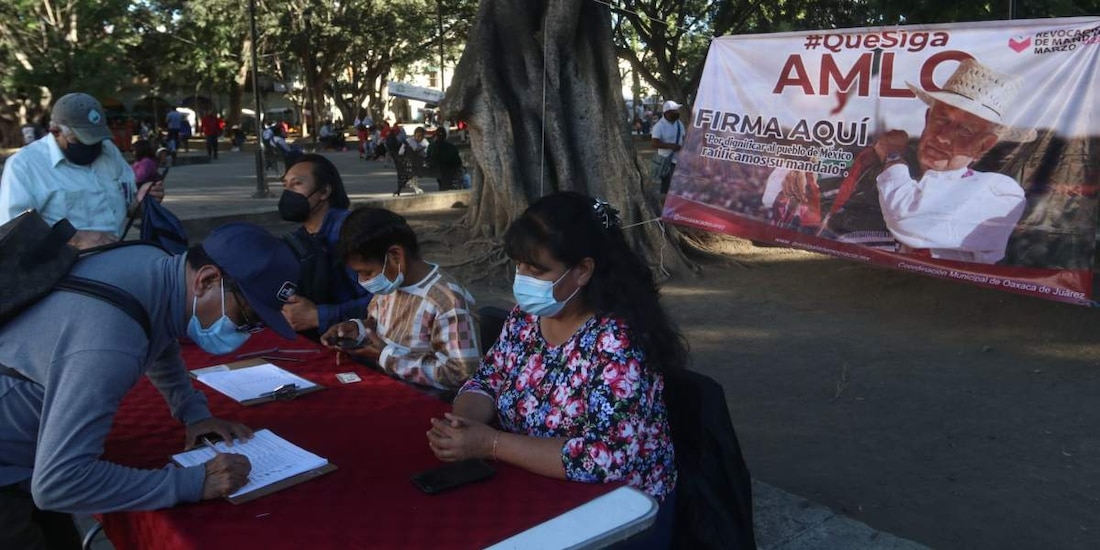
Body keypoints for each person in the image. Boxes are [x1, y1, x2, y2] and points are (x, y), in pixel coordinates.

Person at [0, 223, 301, 549]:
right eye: (247, 318)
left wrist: (192, 411)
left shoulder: (152, 260)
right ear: (207, 279)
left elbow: (161, 332)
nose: (246, 332)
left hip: (27, 453)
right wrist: (194, 482)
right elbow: (59, 483)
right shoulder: (108, 344)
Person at [426, 192, 681, 546]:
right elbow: (488, 379)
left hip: (617, 510)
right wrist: (464, 423)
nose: (523, 279)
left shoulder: (617, 342)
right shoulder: (528, 318)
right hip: (532, 483)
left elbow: (603, 458)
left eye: (537, 269)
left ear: (583, 270)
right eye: (520, 266)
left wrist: (491, 444)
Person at [810, 58, 1031, 264]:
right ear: (927, 119)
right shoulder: (889, 171)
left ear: (984, 145)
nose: (943, 137)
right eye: (941, 120)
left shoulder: (1000, 190)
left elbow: (908, 216)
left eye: (964, 130)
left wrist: (893, 155)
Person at [320, 207, 481, 391]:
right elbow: (382, 330)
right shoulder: (391, 284)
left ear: (396, 256)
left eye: (367, 272)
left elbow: (461, 374)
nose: (363, 281)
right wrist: (358, 331)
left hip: (427, 402)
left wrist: (387, 357)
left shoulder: (447, 302)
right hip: (385, 385)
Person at [0, 93, 165, 250]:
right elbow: (12, 233)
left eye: (96, 139)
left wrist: (141, 202)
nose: (92, 146)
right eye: (82, 139)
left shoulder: (108, 151)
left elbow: (127, 206)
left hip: (115, 253)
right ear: (55, 132)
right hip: (61, 268)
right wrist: (74, 239)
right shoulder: (24, 165)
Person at [278, 154, 373, 339]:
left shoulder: (351, 232)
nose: (288, 193)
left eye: (297, 184)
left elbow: (387, 299)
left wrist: (318, 316)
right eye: (285, 185)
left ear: (324, 192)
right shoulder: (299, 238)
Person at [651, 100, 686, 194]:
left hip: (678, 160)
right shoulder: (659, 126)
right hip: (666, 161)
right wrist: (670, 146)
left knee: (678, 186)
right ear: (667, 112)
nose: (677, 113)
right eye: (674, 111)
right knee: (667, 186)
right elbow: (654, 143)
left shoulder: (679, 124)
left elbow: (684, 137)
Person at [396, 127, 428, 196]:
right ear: (414, 135)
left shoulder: (425, 142)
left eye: (422, 136)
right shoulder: (409, 141)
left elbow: (427, 151)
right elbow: (401, 153)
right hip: (408, 162)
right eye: (418, 136)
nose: (420, 138)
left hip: (419, 161)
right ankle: (413, 184)